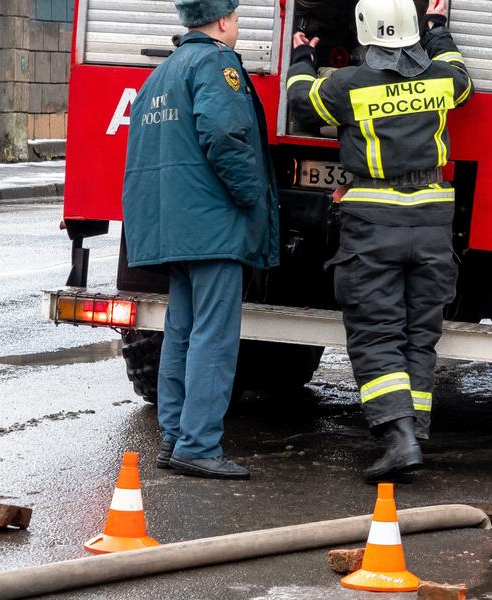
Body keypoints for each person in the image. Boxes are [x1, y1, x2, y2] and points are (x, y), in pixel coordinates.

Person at [287, 0, 472, 483]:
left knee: (376, 334)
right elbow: (461, 76)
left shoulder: (348, 86)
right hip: (432, 223)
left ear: (365, 33)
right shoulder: (441, 80)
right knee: (420, 334)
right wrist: (438, 29)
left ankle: (398, 439)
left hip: (373, 225)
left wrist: (302, 55)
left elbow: (300, 100)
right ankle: (414, 432)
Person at [123, 0, 280, 480]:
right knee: (214, 337)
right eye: (237, 19)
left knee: (181, 333)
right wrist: (252, 196)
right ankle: (199, 444)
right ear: (224, 21)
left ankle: (175, 437)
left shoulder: (162, 73)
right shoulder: (216, 64)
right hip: (213, 227)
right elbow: (225, 135)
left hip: (175, 226)